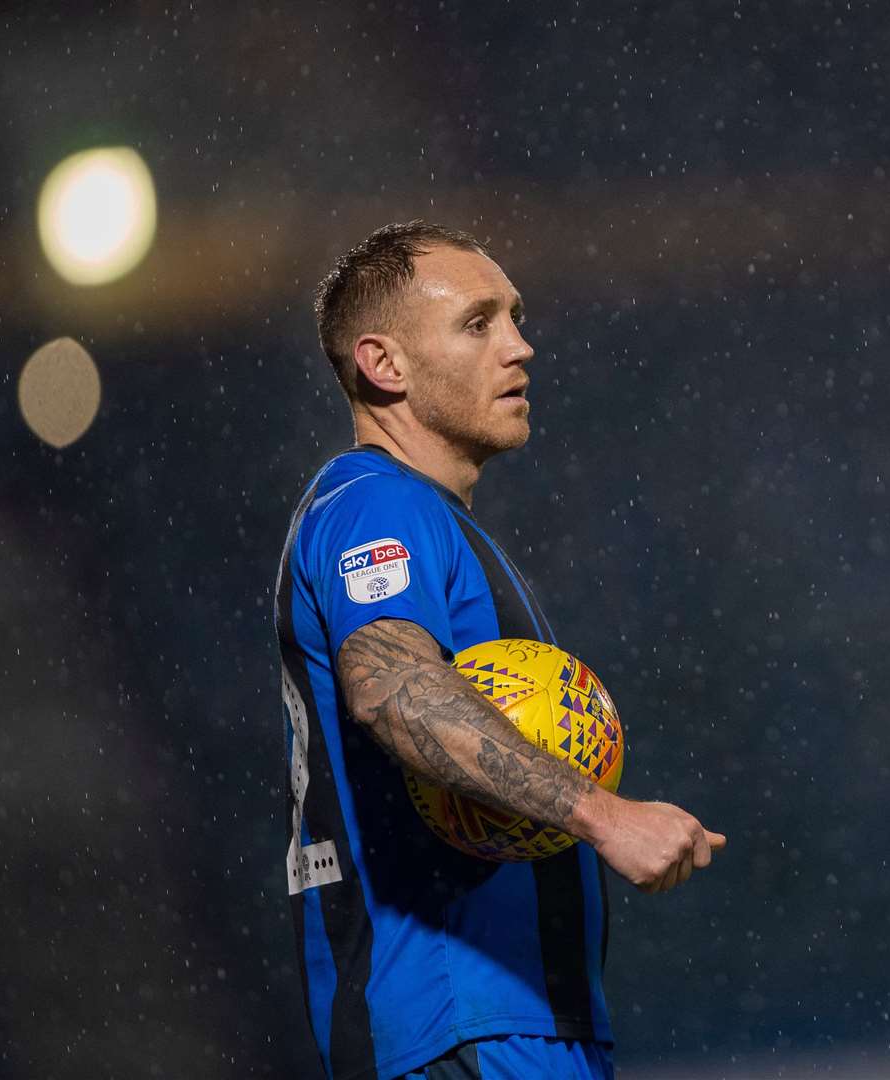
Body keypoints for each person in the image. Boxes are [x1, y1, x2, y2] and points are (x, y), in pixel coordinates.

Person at [273, 221, 725, 1080]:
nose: (520, 346)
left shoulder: (429, 520)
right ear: (384, 365)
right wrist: (602, 814)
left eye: (515, 316)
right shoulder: (375, 506)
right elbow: (393, 688)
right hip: (461, 1024)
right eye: (478, 323)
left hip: (509, 1025)